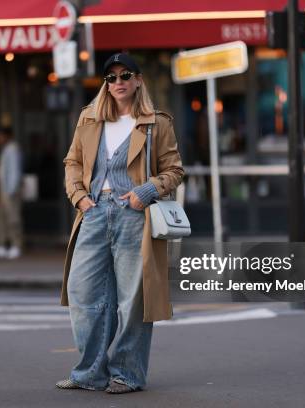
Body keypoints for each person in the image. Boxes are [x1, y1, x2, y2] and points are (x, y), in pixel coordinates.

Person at [57, 53, 184, 393]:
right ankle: (89, 372)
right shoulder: (89, 117)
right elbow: (72, 161)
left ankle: (127, 373)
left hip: (134, 214)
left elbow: (174, 170)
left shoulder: (156, 122)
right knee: (82, 292)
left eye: (125, 75)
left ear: (139, 79)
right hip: (94, 211)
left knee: (133, 299)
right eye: (110, 77)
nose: (118, 82)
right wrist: (79, 196)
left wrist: (145, 191)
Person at [0, 127, 24, 259]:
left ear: (7, 136)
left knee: (13, 218)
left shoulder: (12, 149)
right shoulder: (6, 149)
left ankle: (16, 245)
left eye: (0, 136)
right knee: (1, 218)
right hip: (4, 190)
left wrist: (11, 191)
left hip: (9, 190)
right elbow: (4, 170)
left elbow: (14, 171)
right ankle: (1, 244)